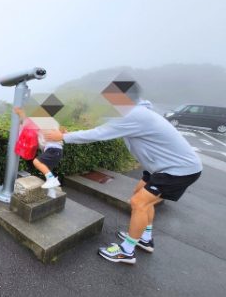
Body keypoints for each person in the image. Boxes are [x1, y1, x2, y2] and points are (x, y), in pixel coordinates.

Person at [43, 97, 202, 265]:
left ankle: (127, 251)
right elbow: (103, 128)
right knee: (140, 197)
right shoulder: (133, 113)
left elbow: (99, 134)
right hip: (160, 167)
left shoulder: (132, 115)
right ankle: (144, 238)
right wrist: (69, 134)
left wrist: (62, 137)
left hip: (177, 170)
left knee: (139, 203)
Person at [14, 107, 66, 197]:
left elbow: (27, 123)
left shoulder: (46, 123)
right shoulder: (50, 123)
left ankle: (52, 181)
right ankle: (51, 191)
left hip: (53, 150)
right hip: (56, 151)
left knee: (37, 162)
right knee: (46, 170)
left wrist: (20, 114)